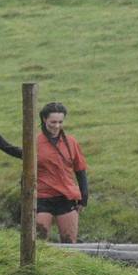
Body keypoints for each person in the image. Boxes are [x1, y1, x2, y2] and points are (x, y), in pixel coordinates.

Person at [35, 101, 90, 243]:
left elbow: (80, 169)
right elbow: (27, 171)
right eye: (53, 122)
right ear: (44, 119)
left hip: (66, 196)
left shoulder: (71, 142)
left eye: (60, 122)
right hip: (42, 197)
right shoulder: (35, 142)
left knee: (69, 242)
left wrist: (84, 196)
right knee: (39, 241)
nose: (57, 126)